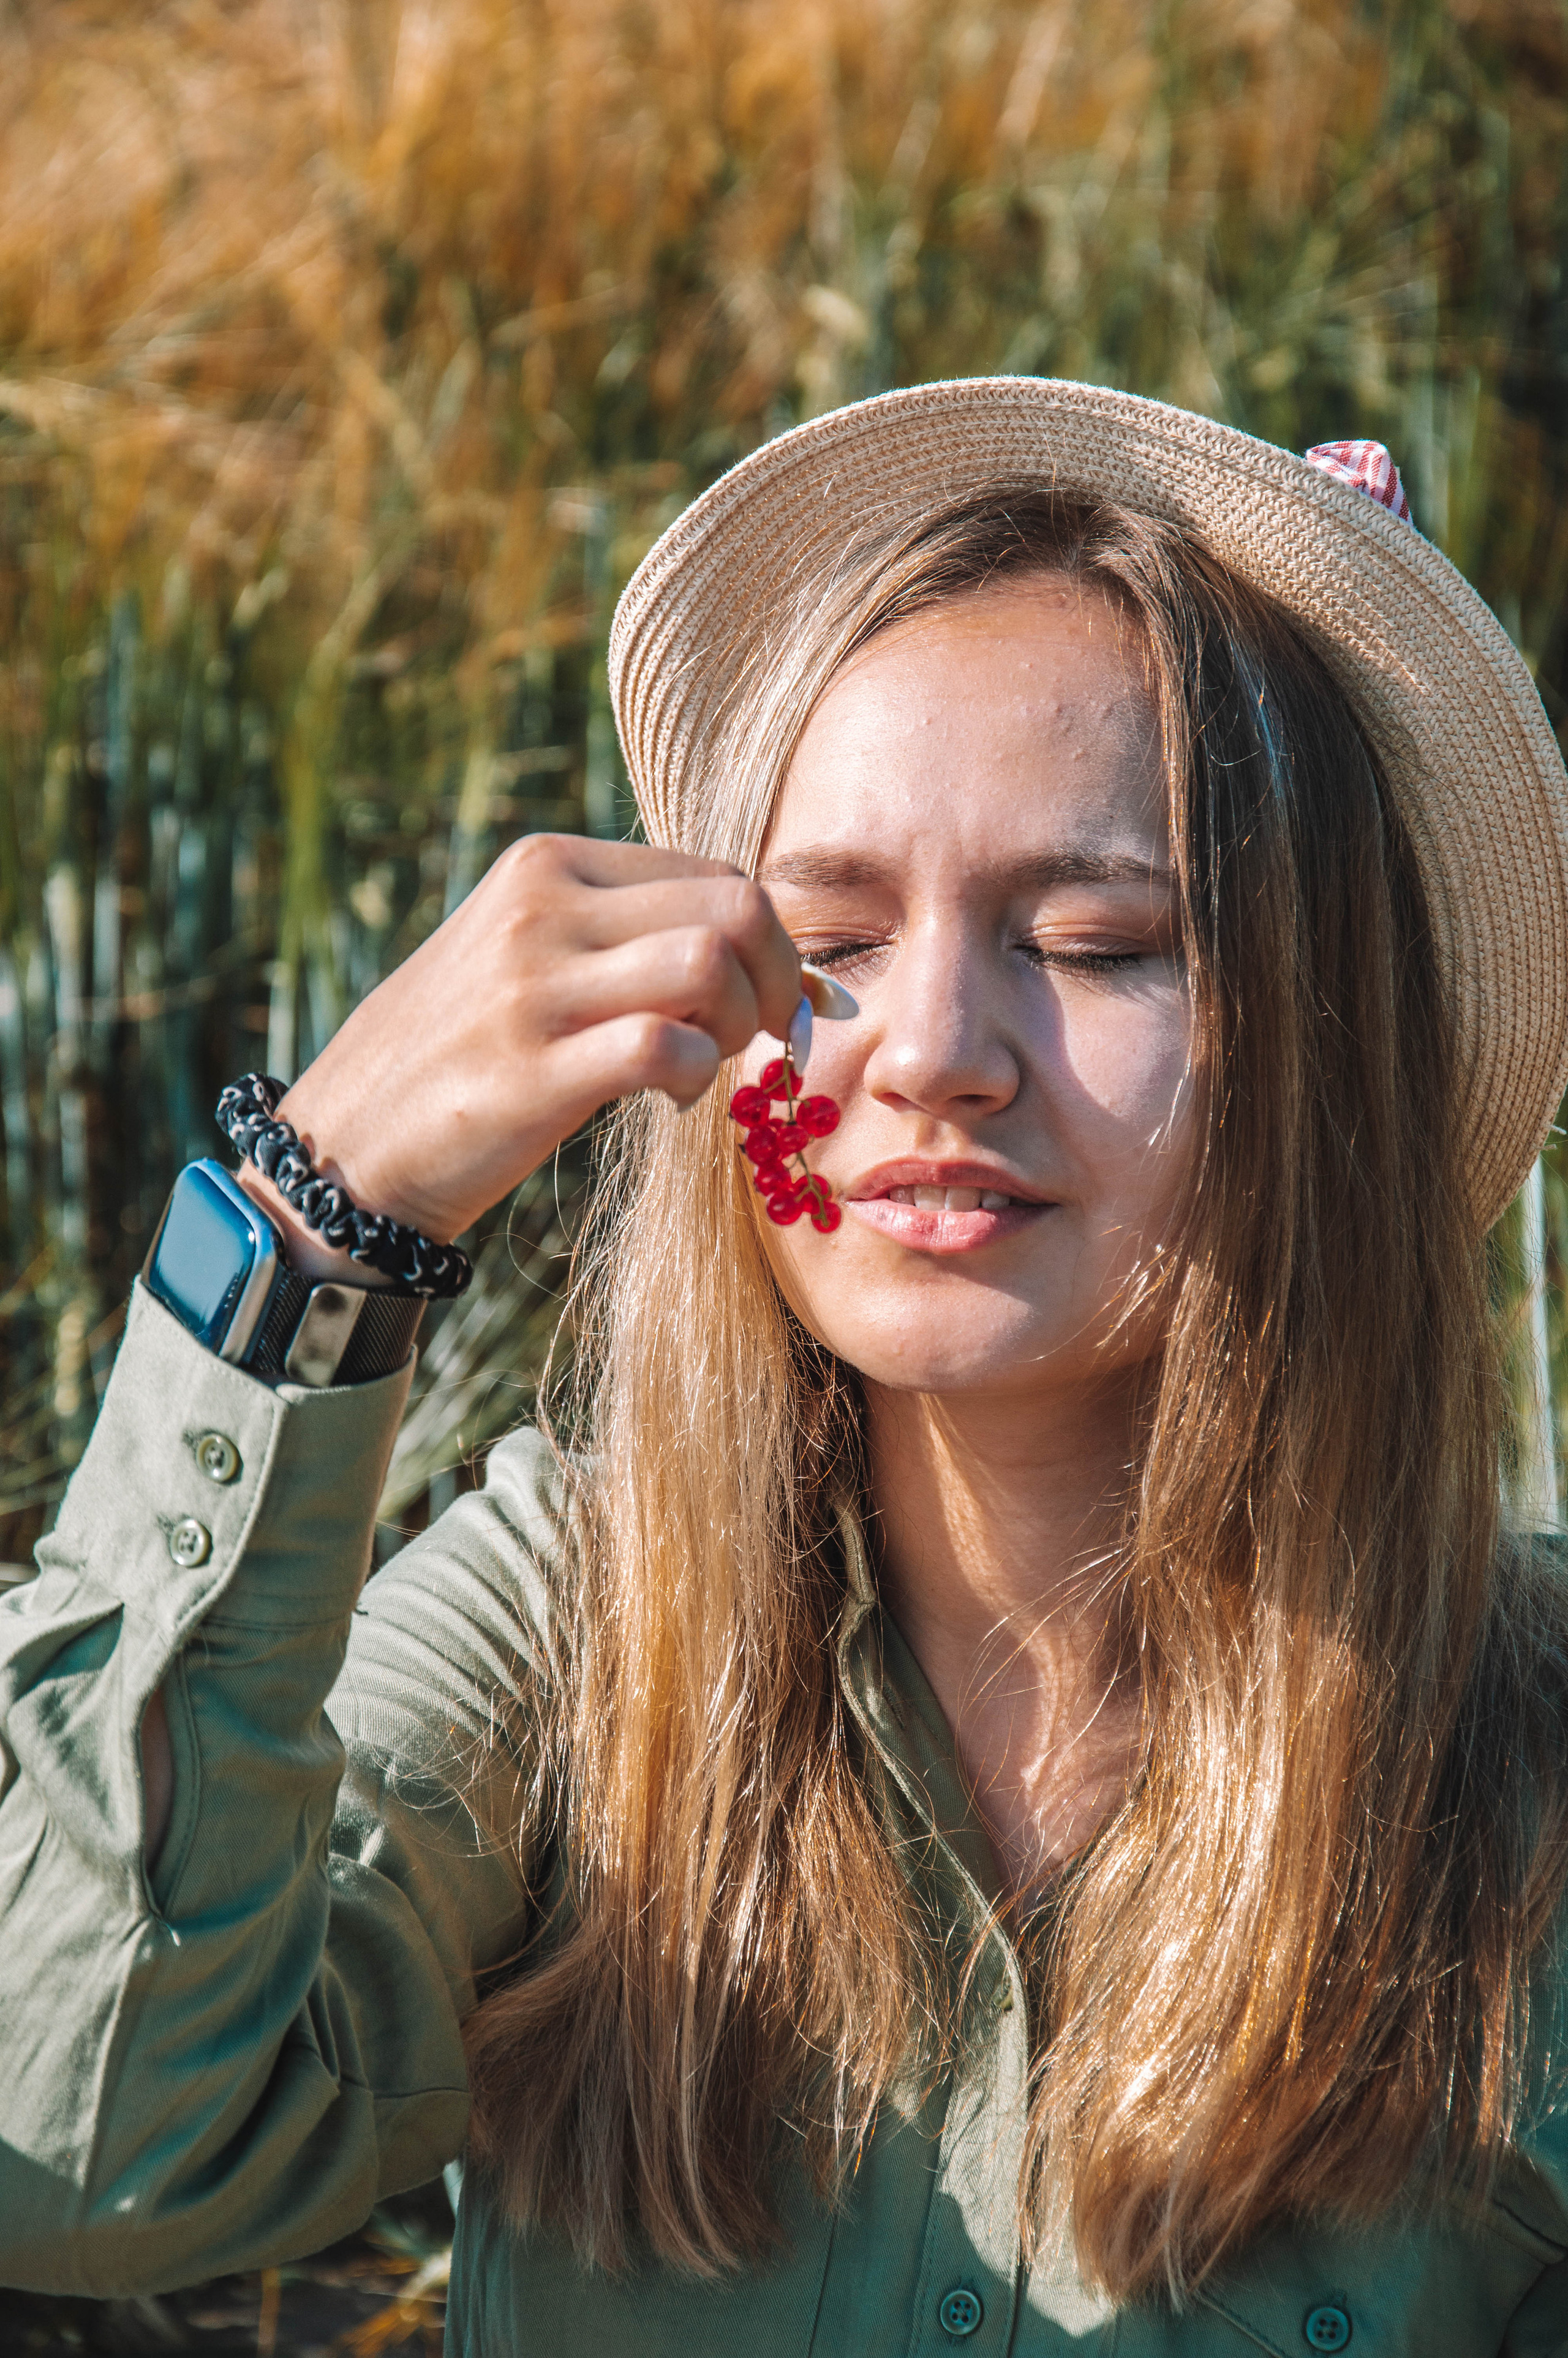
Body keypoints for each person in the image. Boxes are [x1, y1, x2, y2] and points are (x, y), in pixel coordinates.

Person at [3, 378, 1568, 2356]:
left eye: (1095, 941)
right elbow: (67, 2144)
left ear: (1329, 1051)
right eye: (822, 939)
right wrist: (309, 1220)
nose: (927, 1049)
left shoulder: (1528, 1782)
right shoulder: (570, 1633)